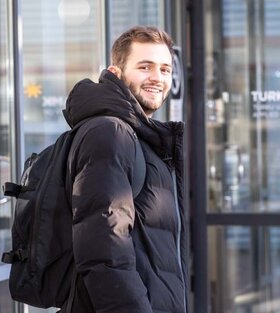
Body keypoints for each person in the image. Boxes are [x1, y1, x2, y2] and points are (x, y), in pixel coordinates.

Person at [62, 26, 188, 313]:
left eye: (165, 69)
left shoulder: (141, 137)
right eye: (145, 67)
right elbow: (104, 251)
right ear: (115, 73)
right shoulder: (111, 133)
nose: (158, 78)